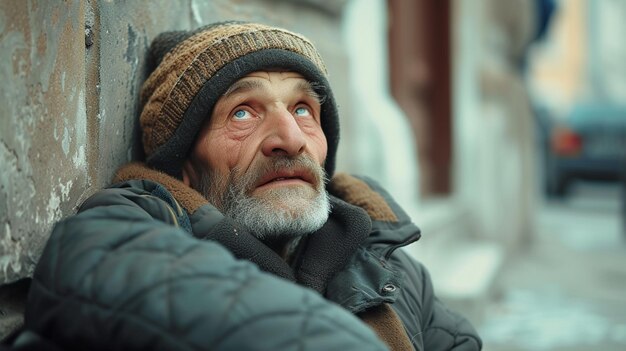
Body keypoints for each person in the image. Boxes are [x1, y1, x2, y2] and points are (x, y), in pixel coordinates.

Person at [8, 22, 481, 350]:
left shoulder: (384, 260)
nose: (289, 139)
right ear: (185, 163)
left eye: (302, 110)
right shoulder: (130, 224)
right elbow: (94, 263)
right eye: (243, 112)